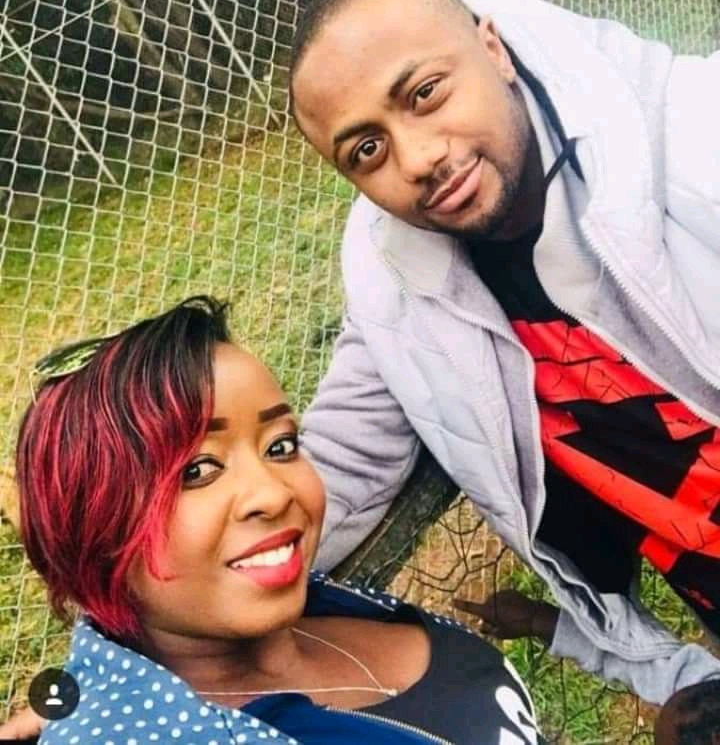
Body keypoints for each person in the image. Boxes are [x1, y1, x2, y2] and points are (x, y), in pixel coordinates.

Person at [287, 0, 720, 705]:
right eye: (367, 151)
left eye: (425, 93)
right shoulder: (398, 295)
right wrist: (155, 611)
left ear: (494, 49)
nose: (418, 159)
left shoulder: (690, 133)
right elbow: (336, 474)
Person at [0, 295, 544, 744]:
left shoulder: (320, 602)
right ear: (90, 532)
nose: (274, 492)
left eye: (281, 446)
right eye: (197, 470)